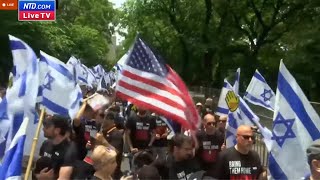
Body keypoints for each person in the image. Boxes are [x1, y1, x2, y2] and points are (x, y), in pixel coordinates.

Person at [36, 115, 78, 180]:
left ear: (57, 130)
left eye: (47, 127)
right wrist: (40, 177)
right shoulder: (45, 144)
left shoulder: (69, 150)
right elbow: (37, 170)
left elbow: (64, 178)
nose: (43, 129)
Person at [101, 111, 124, 179]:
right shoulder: (104, 132)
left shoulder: (116, 134)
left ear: (110, 120)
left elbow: (114, 152)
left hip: (112, 172)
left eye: (103, 118)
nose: (101, 121)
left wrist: (102, 142)